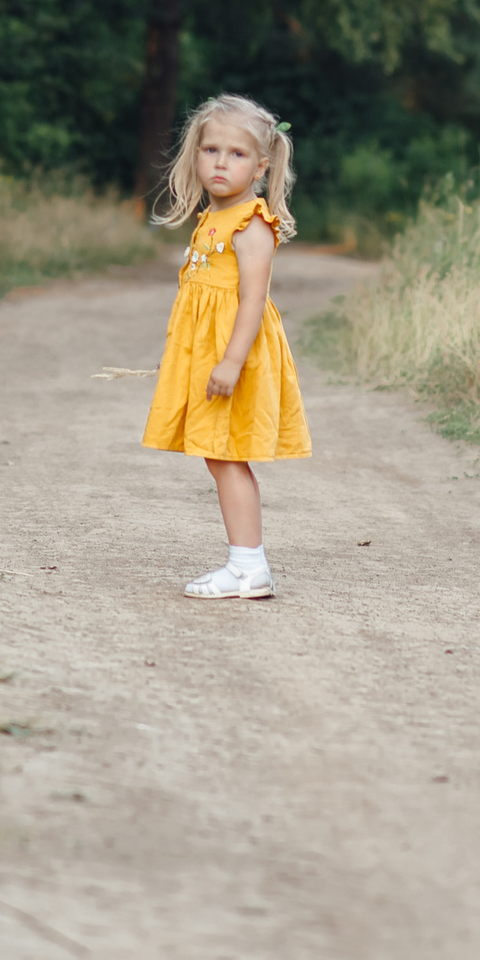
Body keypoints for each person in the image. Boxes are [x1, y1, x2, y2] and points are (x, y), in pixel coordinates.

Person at [141, 94, 311, 599]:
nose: (220, 162)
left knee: (228, 454)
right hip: (212, 354)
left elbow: (253, 300)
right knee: (219, 456)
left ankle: (248, 566)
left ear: (261, 165)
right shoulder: (210, 218)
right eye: (211, 149)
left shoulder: (251, 222)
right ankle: (245, 563)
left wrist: (232, 361)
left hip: (236, 356)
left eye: (236, 154)